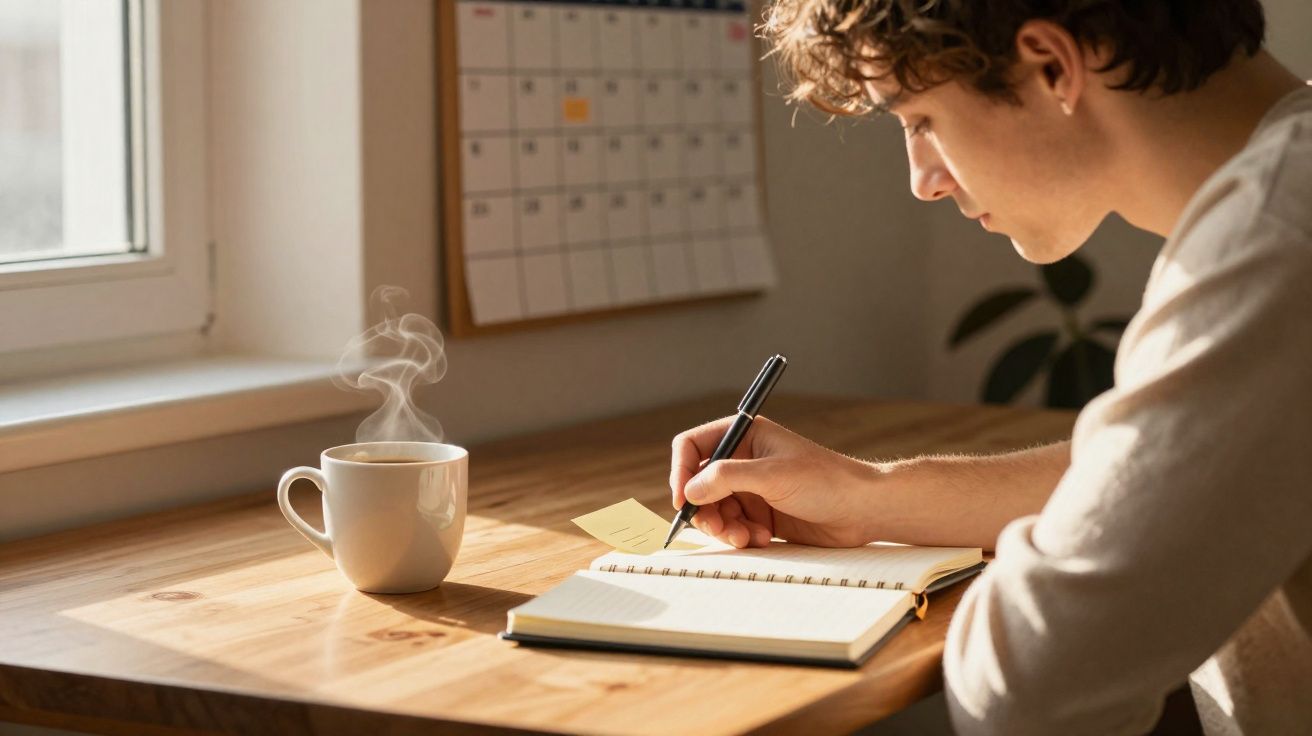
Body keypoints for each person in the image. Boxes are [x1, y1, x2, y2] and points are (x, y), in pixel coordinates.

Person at [668, 2, 1311, 734]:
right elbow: (1195, 478)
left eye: (920, 120)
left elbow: (1028, 693)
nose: (922, 180)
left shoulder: (1276, 244)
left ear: (1050, 66)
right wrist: (867, 496)